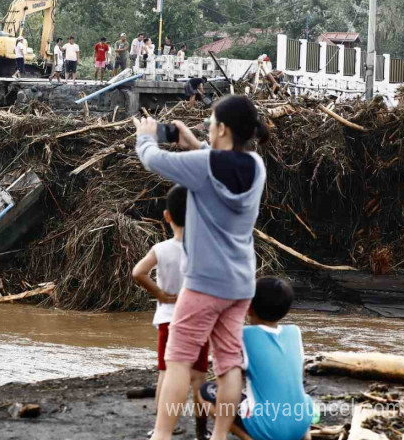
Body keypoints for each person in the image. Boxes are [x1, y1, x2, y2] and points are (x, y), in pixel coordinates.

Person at [133, 94, 269, 440]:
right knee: (228, 364)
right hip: (240, 284)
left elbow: (152, 159)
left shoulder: (203, 167)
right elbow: (214, 163)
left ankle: (162, 435)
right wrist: (193, 142)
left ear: (222, 128)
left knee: (178, 360)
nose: (207, 126)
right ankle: (220, 436)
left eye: (210, 122)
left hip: (205, 284)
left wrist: (146, 134)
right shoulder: (256, 166)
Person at [132, 185, 210, 440]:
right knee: (199, 375)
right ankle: (201, 430)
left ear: (167, 216)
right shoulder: (202, 248)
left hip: (169, 318)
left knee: (166, 373)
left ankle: (163, 427)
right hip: (199, 319)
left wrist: (159, 294)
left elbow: (137, 273)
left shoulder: (161, 248)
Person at [199, 277, 314, 440]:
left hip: (269, 430)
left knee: (205, 392)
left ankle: (246, 437)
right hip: (301, 422)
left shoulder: (243, 335)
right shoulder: (294, 333)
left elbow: (230, 380)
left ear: (249, 308)